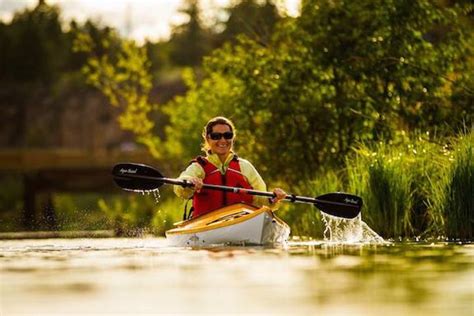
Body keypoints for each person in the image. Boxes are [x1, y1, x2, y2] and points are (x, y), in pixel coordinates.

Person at [174, 116, 287, 219]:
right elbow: (180, 187)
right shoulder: (199, 167)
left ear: (233, 138)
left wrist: (274, 198)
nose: (223, 140)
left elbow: (261, 201)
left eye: (228, 136)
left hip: (242, 221)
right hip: (205, 223)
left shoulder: (245, 167)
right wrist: (189, 181)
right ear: (208, 139)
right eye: (216, 136)